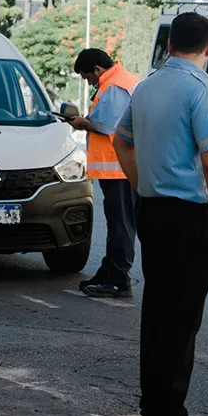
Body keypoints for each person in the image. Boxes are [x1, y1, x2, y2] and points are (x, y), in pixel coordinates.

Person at [112, 12, 208, 416]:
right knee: (182, 324)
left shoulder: (146, 87)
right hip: (187, 217)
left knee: (157, 317)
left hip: (152, 212)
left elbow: (119, 141)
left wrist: (141, 182)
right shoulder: (201, 89)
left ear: (169, 45)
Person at [68, 49, 140, 298]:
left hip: (119, 168)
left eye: (88, 77)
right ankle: (109, 271)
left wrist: (81, 123)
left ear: (98, 69)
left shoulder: (115, 85)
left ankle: (119, 279)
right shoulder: (122, 81)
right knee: (117, 224)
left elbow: (104, 125)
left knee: (120, 225)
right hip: (122, 167)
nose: (89, 82)